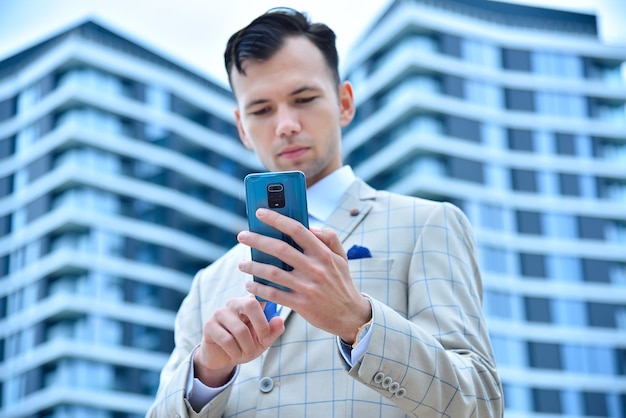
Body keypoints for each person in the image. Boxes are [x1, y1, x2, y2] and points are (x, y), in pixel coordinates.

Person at [147, 8, 503, 418]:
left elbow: (480, 404)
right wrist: (208, 374)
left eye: (304, 99)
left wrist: (359, 321)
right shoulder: (207, 285)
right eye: (261, 110)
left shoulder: (427, 225)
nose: (285, 125)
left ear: (344, 103)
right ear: (242, 128)